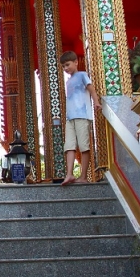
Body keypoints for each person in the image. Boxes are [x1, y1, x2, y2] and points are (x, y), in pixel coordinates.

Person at [59, 51, 101, 185]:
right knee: (69, 146)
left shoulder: (83, 75)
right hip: (70, 118)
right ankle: (69, 174)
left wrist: (96, 102)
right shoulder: (68, 81)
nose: (66, 68)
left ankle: (83, 176)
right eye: (63, 67)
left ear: (76, 62)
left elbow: (91, 89)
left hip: (83, 116)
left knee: (84, 146)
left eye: (67, 65)